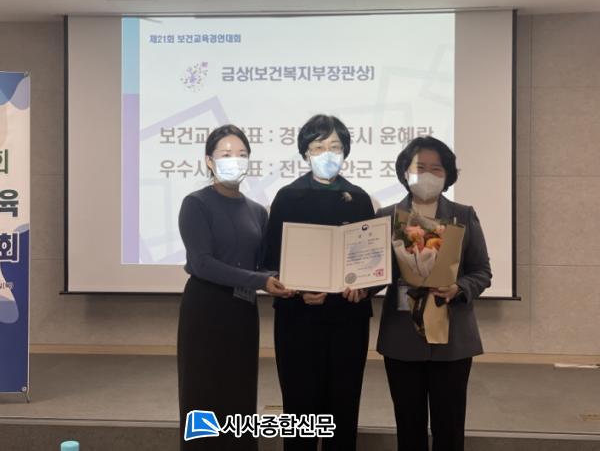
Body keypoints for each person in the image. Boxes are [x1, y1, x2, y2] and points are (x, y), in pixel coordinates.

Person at [264, 114, 376, 451]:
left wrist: (365, 287)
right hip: (298, 320)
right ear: (305, 152)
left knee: (343, 408)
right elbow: (269, 261)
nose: (327, 154)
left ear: (346, 152)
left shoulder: (359, 199)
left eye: (335, 147)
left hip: (347, 322)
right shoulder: (287, 197)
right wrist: (296, 290)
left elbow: (373, 263)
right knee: (299, 409)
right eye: (318, 147)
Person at [177, 125, 293, 451]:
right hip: (205, 310)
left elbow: (261, 266)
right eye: (226, 154)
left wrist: (295, 279)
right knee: (202, 393)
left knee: (239, 394)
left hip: (243, 313)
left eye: (242, 154)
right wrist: (260, 281)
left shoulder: (257, 211)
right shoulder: (196, 204)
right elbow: (202, 263)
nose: (235, 160)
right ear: (209, 161)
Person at [376, 136, 492, 451]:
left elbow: (482, 271)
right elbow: (375, 272)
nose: (427, 175)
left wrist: (459, 287)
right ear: (404, 172)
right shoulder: (386, 217)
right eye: (420, 167)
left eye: (436, 168)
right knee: (408, 426)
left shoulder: (463, 215)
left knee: (450, 428)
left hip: (453, 340)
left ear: (447, 174)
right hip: (402, 337)